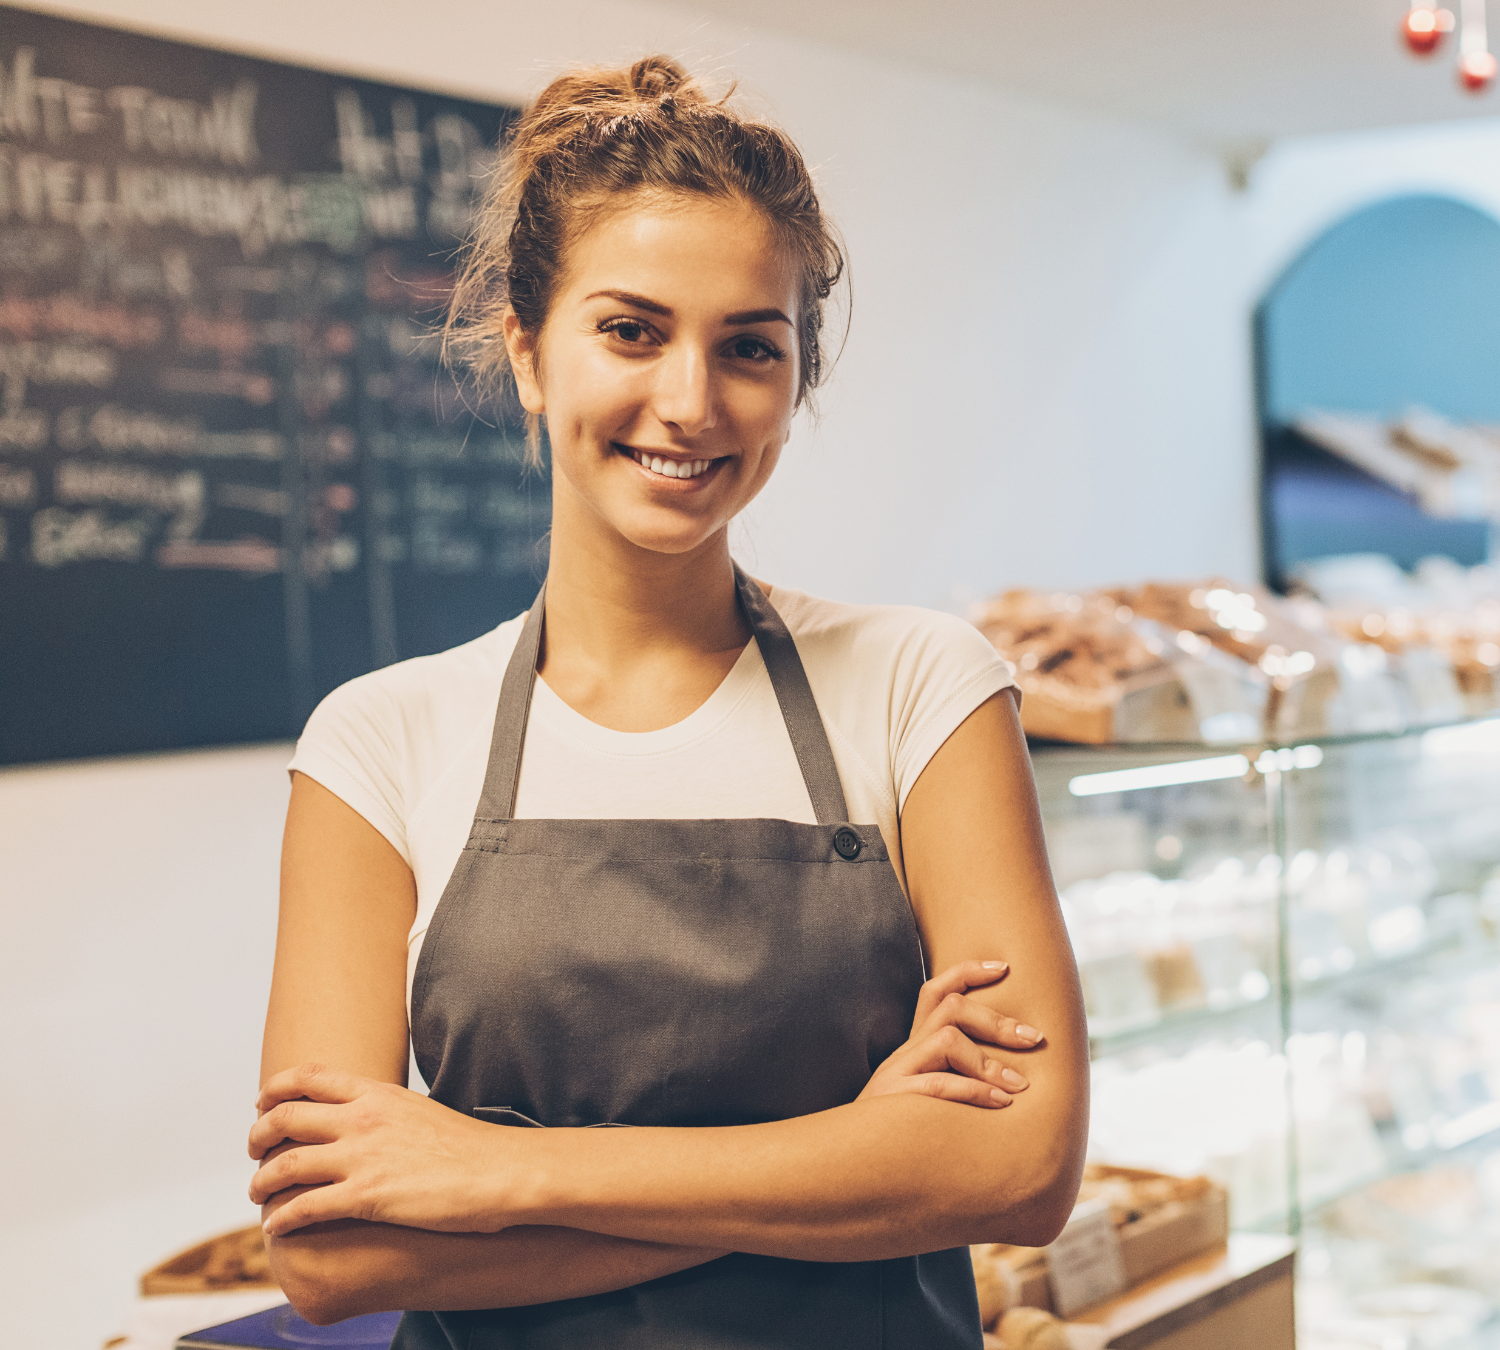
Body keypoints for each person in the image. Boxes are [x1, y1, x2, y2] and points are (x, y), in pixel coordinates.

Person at [248, 55, 1089, 1349]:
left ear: (797, 381)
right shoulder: (380, 739)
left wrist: (507, 1170)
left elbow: (1022, 1170)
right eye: (631, 330)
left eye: (750, 346)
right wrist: (872, 1153)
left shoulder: (924, 686)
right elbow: (332, 1250)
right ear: (529, 352)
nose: (690, 402)